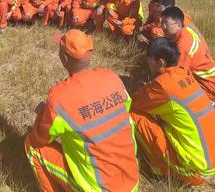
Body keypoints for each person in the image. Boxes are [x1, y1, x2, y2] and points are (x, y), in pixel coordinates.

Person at [25, 29, 139, 191]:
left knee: (31, 145)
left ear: (64, 58)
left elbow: (40, 138)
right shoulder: (112, 77)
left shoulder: (59, 97)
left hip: (97, 188)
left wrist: (42, 114)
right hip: (131, 183)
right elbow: (125, 108)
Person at [131, 37, 215, 185]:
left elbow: (136, 103)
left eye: (149, 60)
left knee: (134, 116)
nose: (147, 63)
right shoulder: (185, 74)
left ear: (161, 63)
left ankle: (159, 172)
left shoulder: (163, 85)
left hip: (196, 170)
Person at [161, 7, 215, 102]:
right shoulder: (182, 32)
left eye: (166, 24)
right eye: (161, 23)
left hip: (207, 90)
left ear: (179, 25)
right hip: (198, 83)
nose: (163, 27)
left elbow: (175, 76)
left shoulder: (184, 46)